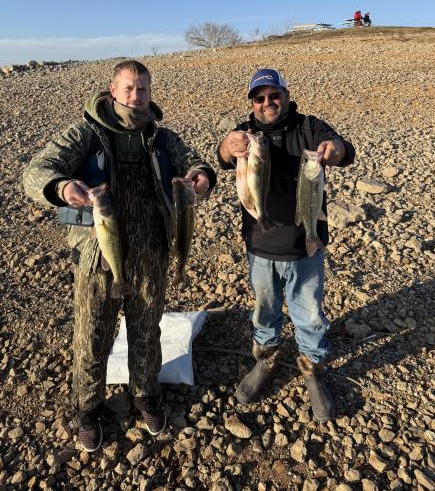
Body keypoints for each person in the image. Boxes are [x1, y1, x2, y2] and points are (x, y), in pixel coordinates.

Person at [23, 60, 216, 452]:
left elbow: (194, 162)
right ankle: (88, 408)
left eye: (142, 89)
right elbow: (35, 171)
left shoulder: (162, 137)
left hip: (151, 251)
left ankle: (145, 395)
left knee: (146, 330)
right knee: (92, 333)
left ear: (150, 92)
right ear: (112, 91)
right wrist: (61, 188)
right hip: (98, 253)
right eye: (128, 88)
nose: (136, 96)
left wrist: (201, 176)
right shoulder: (85, 133)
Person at [217, 68, 355, 422]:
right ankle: (266, 361)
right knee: (265, 310)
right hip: (259, 246)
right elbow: (222, 157)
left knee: (309, 313)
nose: (267, 103)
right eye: (259, 98)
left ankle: (311, 368)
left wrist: (335, 150)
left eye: (274, 95)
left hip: (304, 246)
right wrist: (227, 147)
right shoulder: (246, 134)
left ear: (286, 96)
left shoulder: (309, 127)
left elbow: (344, 150)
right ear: (252, 103)